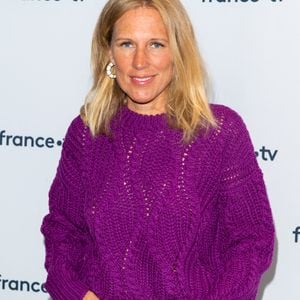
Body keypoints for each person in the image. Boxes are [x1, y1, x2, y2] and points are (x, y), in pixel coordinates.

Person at [41, 0, 275, 299]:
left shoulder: (220, 131)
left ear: (178, 51)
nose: (140, 62)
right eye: (126, 44)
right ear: (108, 51)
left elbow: (251, 241)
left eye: (156, 44)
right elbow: (62, 230)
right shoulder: (87, 132)